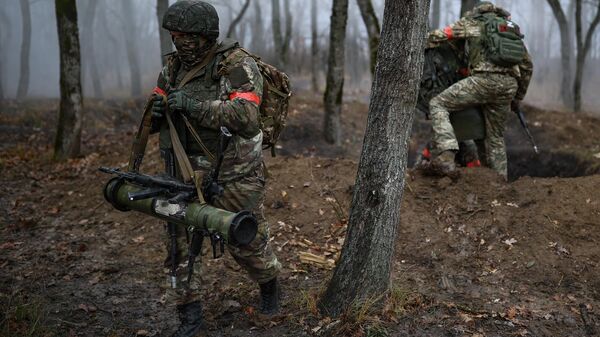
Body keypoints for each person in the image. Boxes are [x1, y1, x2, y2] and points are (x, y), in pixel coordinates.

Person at [150, 1, 282, 336]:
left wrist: (194, 106)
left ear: (206, 35)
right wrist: (154, 113)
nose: (181, 42)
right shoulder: (172, 69)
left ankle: (269, 284)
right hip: (183, 173)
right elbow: (161, 104)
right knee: (179, 245)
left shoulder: (237, 65)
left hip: (235, 173)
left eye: (187, 35)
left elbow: (246, 115)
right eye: (175, 35)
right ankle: (189, 314)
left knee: (246, 240)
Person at [427, 1, 533, 180]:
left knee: (438, 103)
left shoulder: (473, 22)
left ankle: (447, 152)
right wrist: (518, 97)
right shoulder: (509, 29)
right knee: (496, 138)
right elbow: (527, 66)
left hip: (483, 81)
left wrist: (420, 40)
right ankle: (499, 183)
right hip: (508, 86)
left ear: (478, 10)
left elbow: (442, 35)